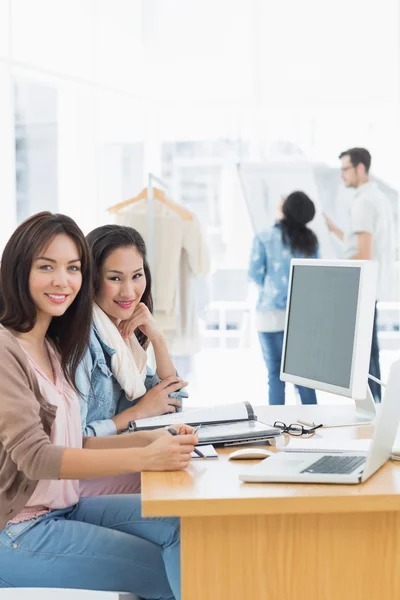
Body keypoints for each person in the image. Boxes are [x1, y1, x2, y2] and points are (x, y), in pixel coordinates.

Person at [0, 212, 197, 599]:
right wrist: (145, 458)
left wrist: (158, 440)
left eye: (73, 268)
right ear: (19, 271)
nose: (63, 280)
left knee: (183, 525)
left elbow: (76, 444)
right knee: (163, 570)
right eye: (46, 267)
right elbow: (36, 458)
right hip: (19, 528)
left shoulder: (53, 346)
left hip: (65, 506)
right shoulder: (7, 349)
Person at [325, 148, 395, 402]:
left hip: (363, 288)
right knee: (369, 352)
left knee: (363, 355)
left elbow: (363, 255)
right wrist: (334, 230)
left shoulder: (364, 202)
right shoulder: (377, 198)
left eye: (345, 169)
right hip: (373, 286)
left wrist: (335, 271)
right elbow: (362, 245)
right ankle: (375, 409)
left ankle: (372, 411)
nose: (342, 175)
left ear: (360, 168)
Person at [249, 191, 319, 405]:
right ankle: (314, 424)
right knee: (304, 379)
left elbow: (255, 274)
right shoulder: (311, 241)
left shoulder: (264, 237)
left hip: (270, 315)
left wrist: (273, 289)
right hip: (300, 316)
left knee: (275, 376)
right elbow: (315, 276)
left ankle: (276, 428)